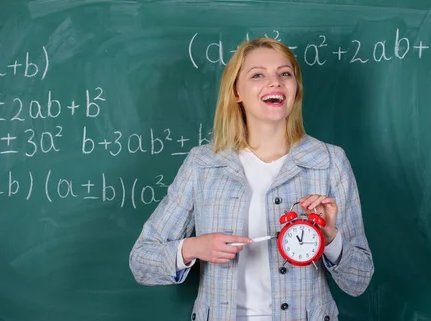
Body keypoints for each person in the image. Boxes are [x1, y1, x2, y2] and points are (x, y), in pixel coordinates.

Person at [129, 37, 374, 321]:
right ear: (236, 92)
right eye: (258, 75)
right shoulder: (203, 164)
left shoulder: (329, 162)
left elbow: (359, 280)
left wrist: (330, 238)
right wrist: (194, 247)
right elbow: (142, 262)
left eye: (285, 73)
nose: (276, 82)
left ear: (295, 89)